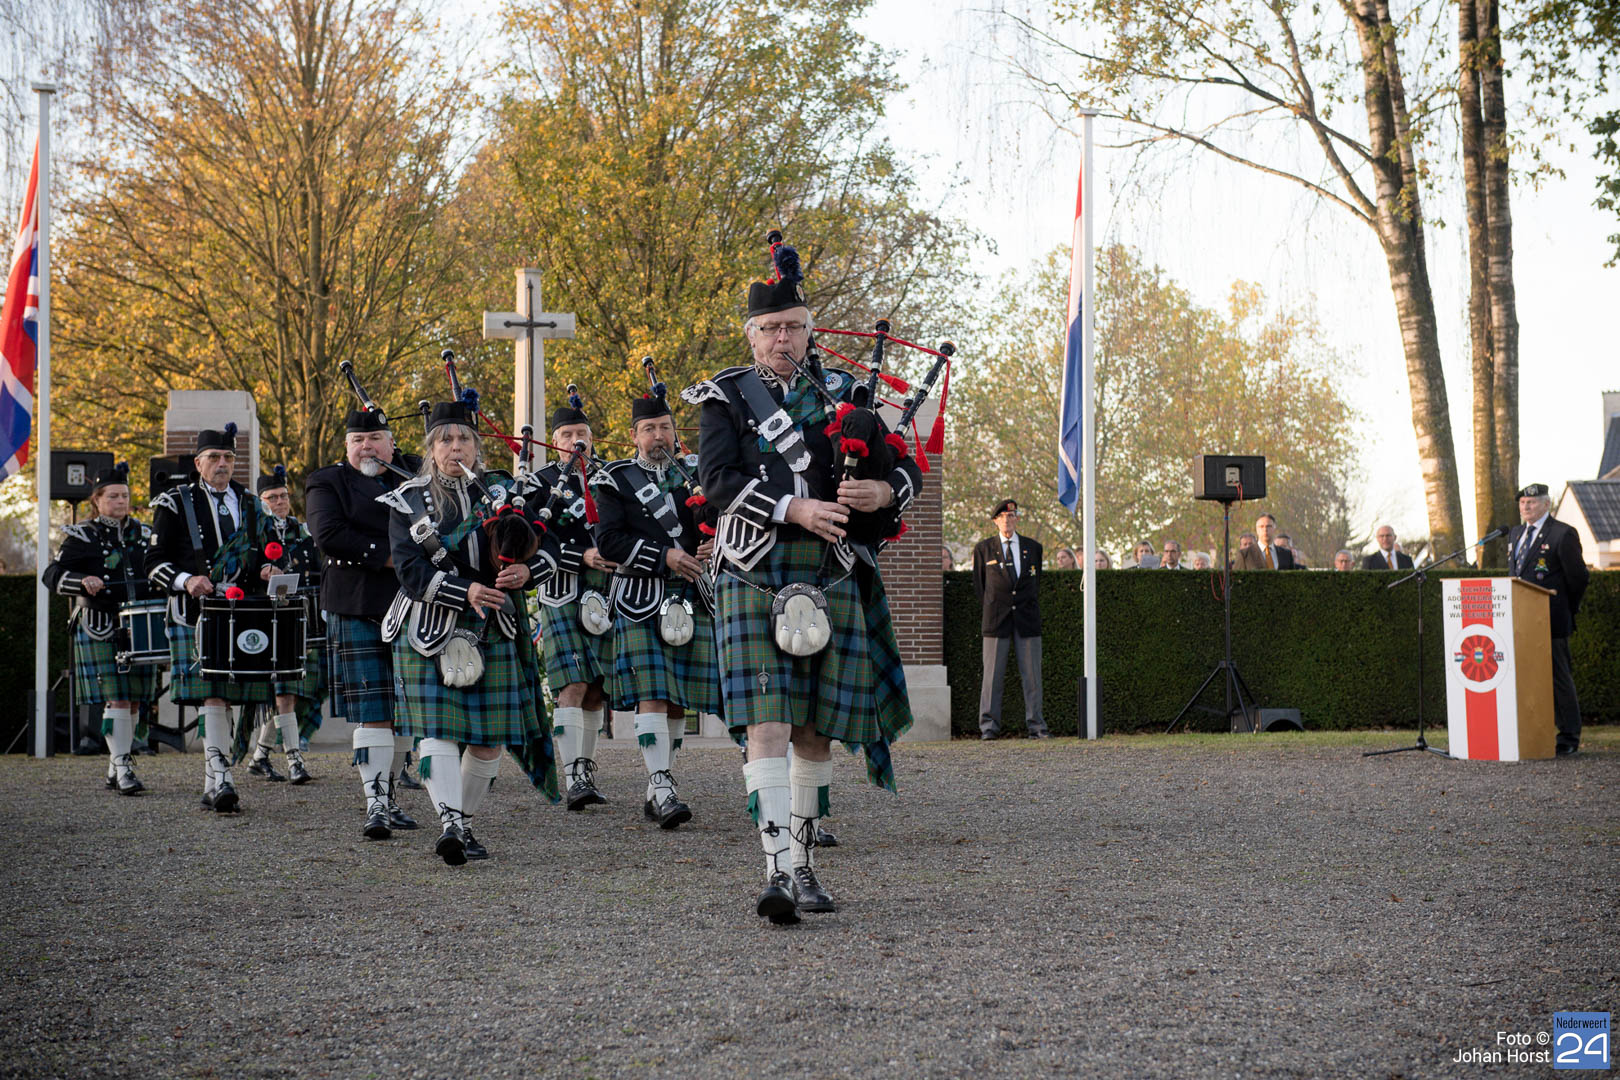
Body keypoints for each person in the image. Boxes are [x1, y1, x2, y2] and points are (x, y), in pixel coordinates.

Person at [686, 233, 923, 923]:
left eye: (792, 326)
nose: (781, 338)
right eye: (769, 328)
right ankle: (777, 872)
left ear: (809, 330)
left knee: (816, 731)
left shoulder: (847, 396)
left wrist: (882, 493)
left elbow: (904, 467)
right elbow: (717, 481)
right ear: (752, 335)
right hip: (754, 568)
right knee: (767, 723)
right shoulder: (726, 398)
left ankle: (806, 862)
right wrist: (795, 508)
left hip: (828, 574)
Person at [382, 400, 561, 864]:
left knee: (487, 738)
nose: (455, 447)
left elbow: (552, 543)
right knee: (437, 730)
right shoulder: (407, 499)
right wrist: (467, 591)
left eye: (463, 438)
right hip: (428, 624)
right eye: (445, 439)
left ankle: (460, 822)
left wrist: (530, 571)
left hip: (493, 623)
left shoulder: (505, 491)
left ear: (477, 446)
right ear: (431, 448)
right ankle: (450, 824)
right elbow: (409, 570)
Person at [593, 389, 720, 829]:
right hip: (639, 595)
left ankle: (658, 786)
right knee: (654, 692)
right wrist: (665, 556)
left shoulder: (696, 473)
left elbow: (718, 520)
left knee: (679, 698)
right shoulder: (614, 478)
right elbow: (609, 542)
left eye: (665, 427)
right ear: (634, 435)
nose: (659, 435)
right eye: (649, 429)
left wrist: (714, 542)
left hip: (689, 591)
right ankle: (663, 786)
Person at [304, 404, 423, 839]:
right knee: (374, 709)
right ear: (347, 446)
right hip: (356, 602)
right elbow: (328, 535)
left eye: (375, 438)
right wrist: (397, 556)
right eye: (358, 440)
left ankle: (389, 797)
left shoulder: (415, 473)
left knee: (407, 708)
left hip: (414, 603)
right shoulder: (327, 481)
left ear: (392, 442)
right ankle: (376, 805)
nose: (366, 447)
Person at [147, 424, 277, 814]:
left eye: (228, 457)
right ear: (198, 462)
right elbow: (153, 562)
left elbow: (272, 550)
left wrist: (269, 567)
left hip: (243, 611)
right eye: (214, 457)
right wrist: (187, 580)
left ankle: (214, 782)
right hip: (195, 614)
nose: (222, 464)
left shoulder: (251, 504)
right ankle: (221, 778)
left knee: (230, 695)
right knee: (212, 694)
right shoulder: (175, 502)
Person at [41, 461, 160, 795]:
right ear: (97, 500)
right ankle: (123, 768)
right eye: (113, 496)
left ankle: (114, 767)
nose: (121, 501)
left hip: (140, 626)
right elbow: (51, 575)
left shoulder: (145, 533)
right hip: (100, 625)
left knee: (134, 701)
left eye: (124, 495)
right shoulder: (82, 535)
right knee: (118, 699)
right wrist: (82, 580)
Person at [531, 397, 618, 812]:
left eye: (582, 433)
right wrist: (580, 555)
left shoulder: (610, 477)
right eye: (567, 435)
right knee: (573, 684)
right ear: (555, 442)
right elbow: (535, 540)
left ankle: (587, 771)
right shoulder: (540, 482)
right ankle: (573, 777)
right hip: (562, 589)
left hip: (606, 589)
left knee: (597, 688)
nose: (575, 440)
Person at [237, 465, 322, 784]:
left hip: (304, 620)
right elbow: (241, 572)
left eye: (283, 496)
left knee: (293, 693)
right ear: (261, 502)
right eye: (272, 497)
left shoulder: (304, 532)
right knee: (283, 692)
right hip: (266, 621)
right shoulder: (252, 535)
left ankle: (260, 756)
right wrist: (257, 572)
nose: (280, 501)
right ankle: (294, 760)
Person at [1508, 483, 1589, 756]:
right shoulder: (1516, 533)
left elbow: (1578, 577)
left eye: (1531, 502)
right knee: (1527, 679)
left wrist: (1565, 607)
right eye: (1522, 503)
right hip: (1521, 622)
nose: (1526, 506)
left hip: (1550, 620)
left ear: (1546, 504)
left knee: (1558, 678)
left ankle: (1568, 735)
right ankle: (1533, 731)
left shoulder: (1562, 533)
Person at [972, 499, 1047, 740]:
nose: (1007, 520)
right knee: (992, 678)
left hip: (1027, 619)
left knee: (1032, 677)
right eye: (1003, 516)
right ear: (996, 521)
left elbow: (1036, 582)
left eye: (1012, 516)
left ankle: (1037, 726)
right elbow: (980, 587)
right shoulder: (984, 549)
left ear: (1017, 519)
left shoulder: (1033, 547)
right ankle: (989, 727)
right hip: (996, 620)